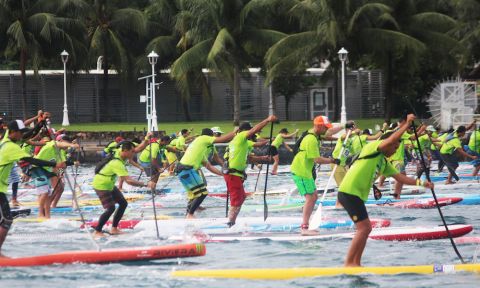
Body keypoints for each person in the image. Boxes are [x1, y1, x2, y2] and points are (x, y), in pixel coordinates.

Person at [337, 114, 434, 267]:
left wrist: (422, 183)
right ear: (387, 143)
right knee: (364, 228)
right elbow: (389, 139)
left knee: (366, 228)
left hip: (356, 195)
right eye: (394, 147)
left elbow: (400, 178)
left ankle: (356, 263)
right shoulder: (372, 148)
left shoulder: (383, 161)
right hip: (349, 192)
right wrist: (407, 124)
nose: (395, 151)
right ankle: (349, 264)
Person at [0, 120, 67, 254]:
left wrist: (40, 122)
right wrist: (55, 165)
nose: (22, 136)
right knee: (6, 220)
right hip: (10, 183)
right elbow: (32, 160)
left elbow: (29, 134)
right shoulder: (11, 147)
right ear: (12, 132)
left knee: (5, 219)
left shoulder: (7, 140)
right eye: (20, 133)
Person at [291, 116, 342, 235]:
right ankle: (304, 228)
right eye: (325, 127)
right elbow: (317, 159)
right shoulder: (311, 139)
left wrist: (344, 126)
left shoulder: (314, 133)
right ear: (319, 126)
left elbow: (330, 131)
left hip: (306, 171)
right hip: (301, 171)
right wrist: (332, 160)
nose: (326, 130)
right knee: (310, 198)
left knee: (314, 197)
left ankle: (305, 220)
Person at [222, 116, 277, 226]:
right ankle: (230, 223)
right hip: (232, 174)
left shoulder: (243, 142)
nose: (252, 134)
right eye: (250, 131)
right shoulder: (241, 136)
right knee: (237, 199)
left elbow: (251, 155)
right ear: (245, 130)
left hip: (236, 174)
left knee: (241, 198)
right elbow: (254, 130)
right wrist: (267, 120)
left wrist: (263, 157)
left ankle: (232, 221)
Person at [92, 141, 155, 237]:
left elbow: (138, 148)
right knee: (110, 208)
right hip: (101, 185)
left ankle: (114, 229)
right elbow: (129, 181)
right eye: (132, 152)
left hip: (110, 184)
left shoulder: (121, 151)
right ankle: (97, 231)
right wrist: (146, 184)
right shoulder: (116, 163)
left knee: (123, 203)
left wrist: (146, 139)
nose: (134, 153)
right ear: (125, 150)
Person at [176, 128, 236, 218]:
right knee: (202, 193)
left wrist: (223, 174)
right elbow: (223, 139)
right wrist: (236, 131)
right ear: (210, 136)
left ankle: (188, 214)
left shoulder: (201, 149)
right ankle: (190, 215)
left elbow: (209, 166)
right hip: (187, 169)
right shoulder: (203, 138)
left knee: (194, 195)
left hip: (184, 170)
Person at [32, 134, 79, 217]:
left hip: (48, 170)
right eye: (66, 143)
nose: (67, 146)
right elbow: (60, 144)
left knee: (53, 191)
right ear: (60, 141)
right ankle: (40, 214)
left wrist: (60, 173)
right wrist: (72, 145)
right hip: (37, 168)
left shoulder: (60, 152)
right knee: (44, 192)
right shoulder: (53, 143)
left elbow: (62, 164)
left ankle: (47, 215)